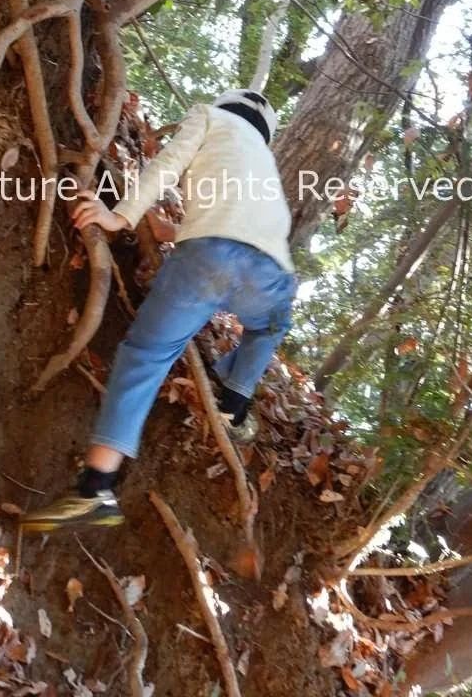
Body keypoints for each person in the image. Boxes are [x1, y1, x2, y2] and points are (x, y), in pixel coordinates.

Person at [21, 89, 297, 531]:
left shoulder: (210, 118)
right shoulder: (263, 163)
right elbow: (243, 225)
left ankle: (96, 486)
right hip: (269, 275)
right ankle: (235, 395)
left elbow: (167, 166)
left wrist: (121, 216)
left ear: (226, 105)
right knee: (272, 324)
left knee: (144, 357)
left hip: (205, 259)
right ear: (265, 132)